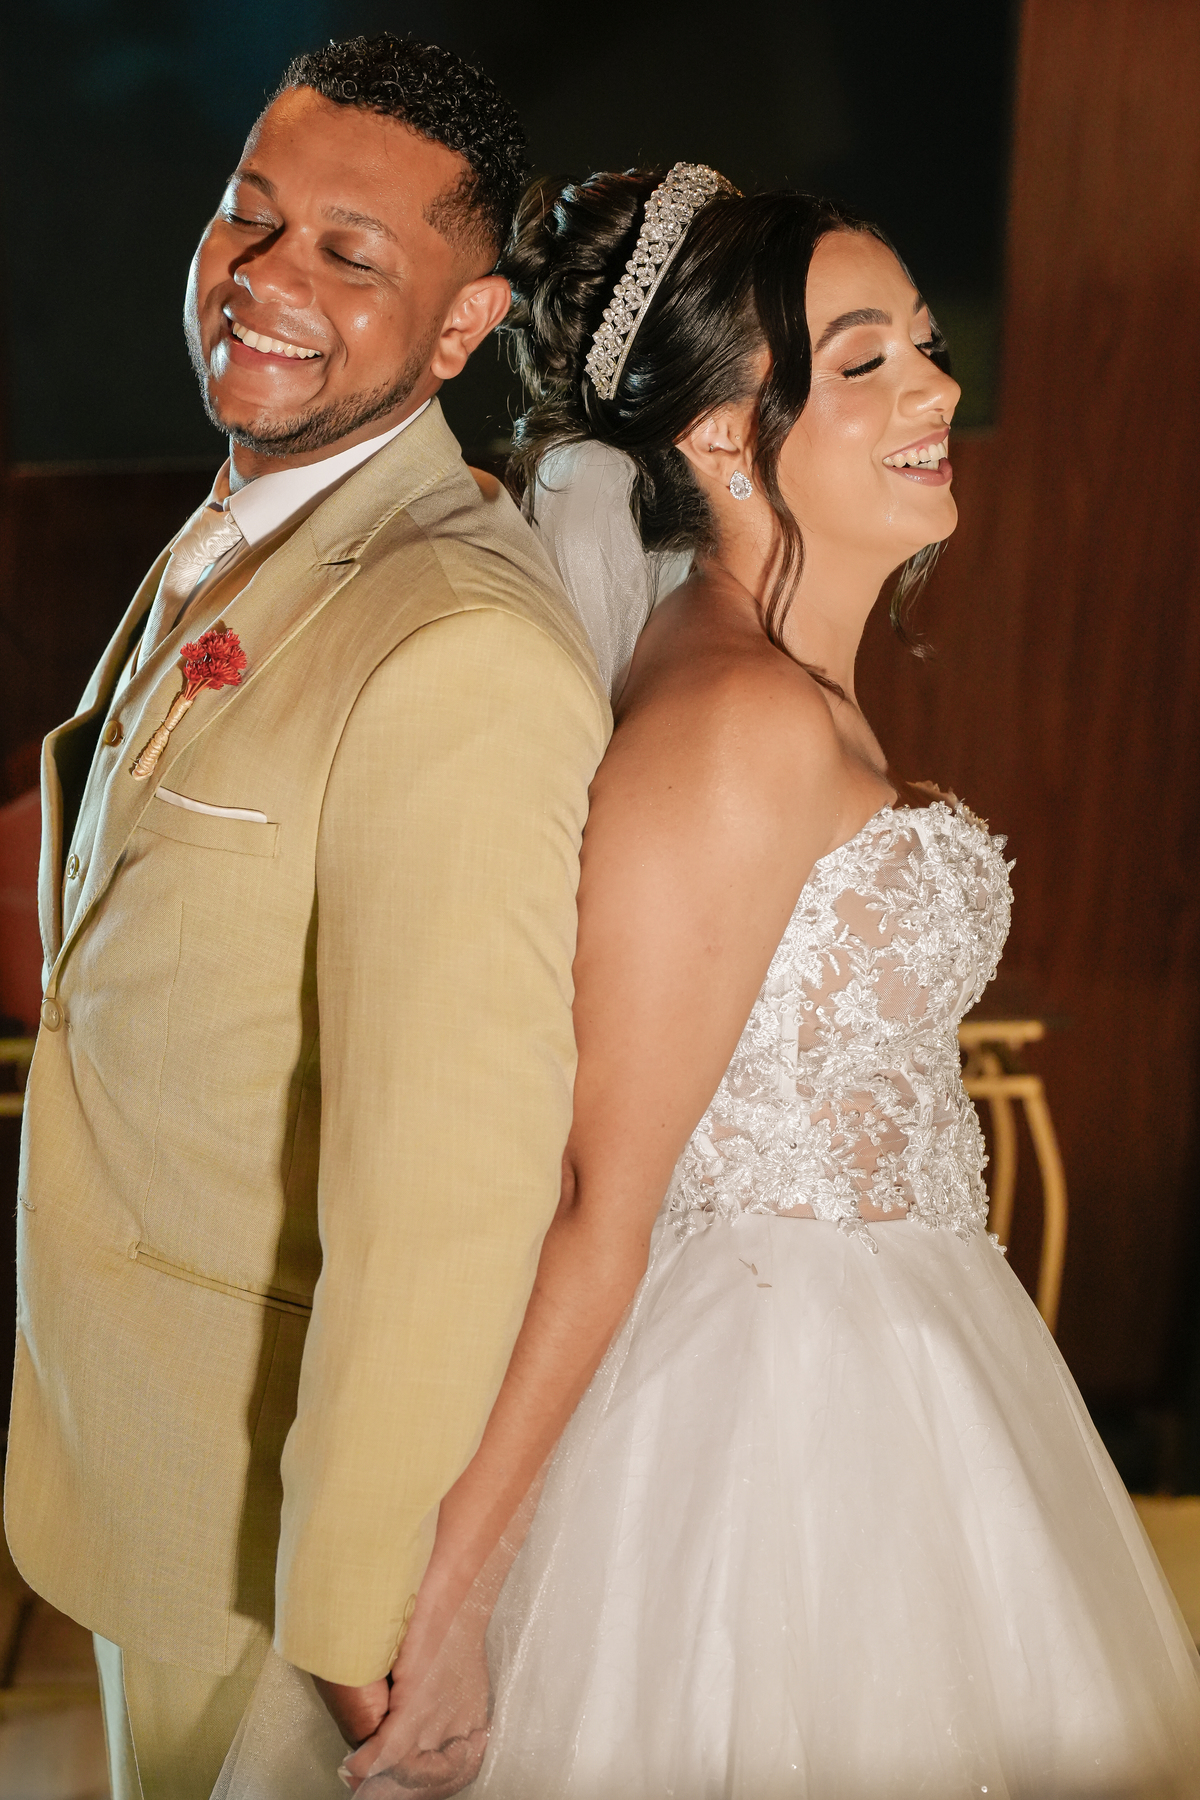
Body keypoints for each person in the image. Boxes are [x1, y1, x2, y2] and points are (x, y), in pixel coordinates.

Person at [228, 168, 1200, 1800]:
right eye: (866, 358)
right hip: (765, 1417)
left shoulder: (782, 686)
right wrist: (445, 1606)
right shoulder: (738, 724)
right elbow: (594, 1192)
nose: (936, 389)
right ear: (722, 437)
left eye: (927, 344)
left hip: (894, 1361)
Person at [3, 33, 611, 1800]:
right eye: (247, 215)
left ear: (465, 324)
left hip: (280, 1539)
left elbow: (446, 1189)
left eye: (351, 253)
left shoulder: (460, 647)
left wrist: (357, 1620)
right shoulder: (258, 512)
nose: (263, 279)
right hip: (152, 1454)